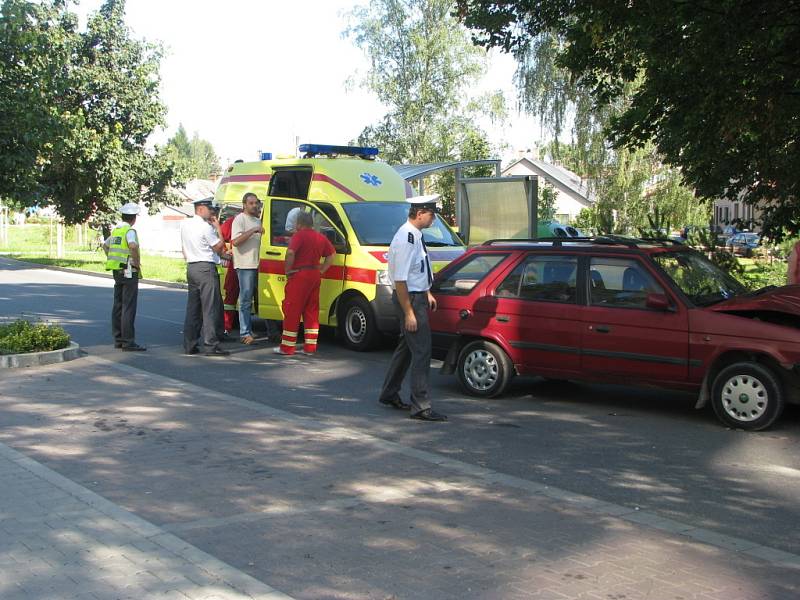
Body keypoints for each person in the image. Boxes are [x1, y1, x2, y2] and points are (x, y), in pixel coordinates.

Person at [378, 195, 447, 422]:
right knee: (422, 351)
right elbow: (400, 280)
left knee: (406, 347)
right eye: (431, 214)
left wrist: (426, 291)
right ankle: (421, 406)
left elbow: (416, 271)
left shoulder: (414, 236)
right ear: (420, 214)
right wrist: (409, 312)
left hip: (416, 296)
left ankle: (389, 392)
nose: (434, 219)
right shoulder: (406, 238)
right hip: (409, 300)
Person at [274, 211, 335, 356]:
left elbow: (290, 253)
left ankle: (287, 347)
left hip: (299, 275)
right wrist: (322, 270)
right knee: (311, 311)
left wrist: (288, 270)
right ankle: (310, 348)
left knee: (292, 310)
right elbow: (331, 255)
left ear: (299, 223)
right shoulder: (320, 237)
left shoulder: (299, 236)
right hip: (314, 275)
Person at [181, 198, 232, 356]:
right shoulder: (205, 227)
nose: (212, 212)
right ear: (201, 209)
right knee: (209, 308)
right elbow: (218, 247)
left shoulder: (185, 224)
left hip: (192, 267)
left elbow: (183, 247)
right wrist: (218, 228)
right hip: (205, 268)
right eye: (210, 209)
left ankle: (190, 344)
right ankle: (211, 345)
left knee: (193, 308)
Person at [103, 202, 146, 351]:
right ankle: (128, 342)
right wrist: (136, 262)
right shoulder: (130, 231)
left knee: (118, 305)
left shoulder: (116, 230)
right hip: (128, 271)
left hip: (117, 270)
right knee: (128, 306)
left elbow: (105, 245)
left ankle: (119, 339)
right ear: (134, 218)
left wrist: (112, 258)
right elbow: (133, 246)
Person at [231, 193, 264, 344]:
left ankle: (255, 331)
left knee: (259, 300)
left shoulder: (258, 220)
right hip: (245, 265)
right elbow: (235, 241)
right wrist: (253, 231)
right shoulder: (240, 219)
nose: (254, 205)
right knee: (245, 300)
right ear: (244, 204)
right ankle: (245, 334)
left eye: (256, 203)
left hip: (258, 265)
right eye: (250, 203)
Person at [218, 208, 240, 336]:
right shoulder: (233, 221)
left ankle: (245, 330)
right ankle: (226, 326)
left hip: (255, 264)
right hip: (236, 263)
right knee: (231, 296)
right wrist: (224, 252)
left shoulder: (258, 222)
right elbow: (219, 236)